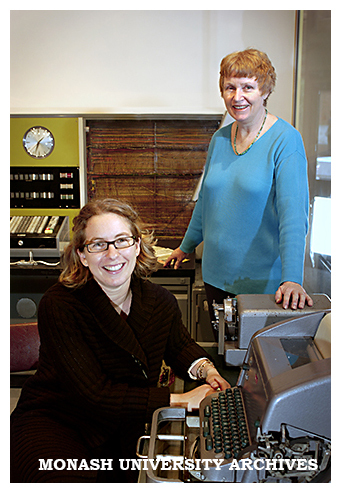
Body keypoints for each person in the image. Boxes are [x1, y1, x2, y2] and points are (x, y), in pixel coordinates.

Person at [10, 198, 230, 483]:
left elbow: (178, 345)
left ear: (137, 246)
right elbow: (95, 394)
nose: (112, 254)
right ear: (82, 255)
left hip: (125, 425)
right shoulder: (60, 304)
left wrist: (207, 371)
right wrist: (182, 400)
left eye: (122, 241)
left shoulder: (158, 300)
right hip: (59, 420)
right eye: (98, 244)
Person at [165, 48, 313, 321]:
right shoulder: (220, 138)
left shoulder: (286, 140)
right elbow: (207, 203)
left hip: (262, 286)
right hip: (215, 277)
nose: (237, 96)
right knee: (223, 358)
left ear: (265, 91)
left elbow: (294, 218)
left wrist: (292, 278)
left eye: (248, 87)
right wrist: (185, 247)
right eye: (229, 88)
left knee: (253, 362)